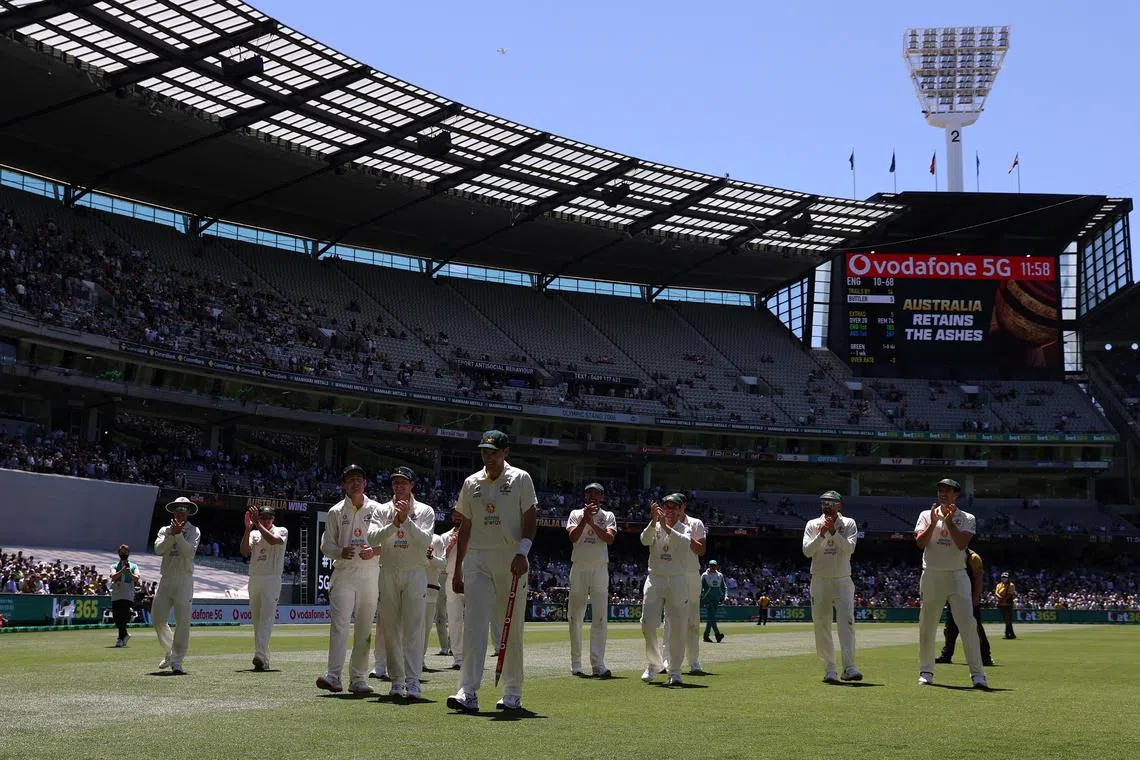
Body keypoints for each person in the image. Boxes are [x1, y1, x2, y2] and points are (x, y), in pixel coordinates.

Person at [447, 430, 537, 713]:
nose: (488, 457)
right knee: (474, 624)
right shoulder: (471, 482)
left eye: (494, 452)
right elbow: (465, 527)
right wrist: (458, 569)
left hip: (511, 558)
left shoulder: (521, 478)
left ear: (505, 452)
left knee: (509, 630)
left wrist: (523, 552)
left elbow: (530, 518)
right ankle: (468, 691)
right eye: (485, 451)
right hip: (478, 559)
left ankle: (512, 693)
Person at [368, 466, 435, 700]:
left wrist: (406, 520)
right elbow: (371, 538)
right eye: (396, 482)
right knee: (391, 630)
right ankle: (397, 681)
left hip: (415, 573)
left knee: (413, 630)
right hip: (388, 572)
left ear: (412, 485)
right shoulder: (381, 510)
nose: (399, 486)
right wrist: (394, 523)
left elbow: (426, 539)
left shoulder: (425, 511)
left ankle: (413, 682)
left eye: (403, 482)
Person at [915, 478, 988, 689]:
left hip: (957, 576)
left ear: (956, 494)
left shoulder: (967, 518)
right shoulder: (925, 515)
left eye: (947, 490)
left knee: (968, 625)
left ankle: (978, 675)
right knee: (927, 626)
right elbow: (920, 543)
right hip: (931, 574)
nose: (942, 494)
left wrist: (948, 521)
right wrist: (932, 521)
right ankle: (926, 672)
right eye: (940, 490)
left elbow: (962, 544)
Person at [316, 464, 381, 695]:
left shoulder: (379, 510)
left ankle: (359, 679)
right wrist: (339, 551)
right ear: (344, 484)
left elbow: (388, 541)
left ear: (365, 483)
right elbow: (326, 545)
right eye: (350, 479)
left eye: (359, 479)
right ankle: (333, 676)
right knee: (340, 625)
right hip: (343, 573)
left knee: (364, 627)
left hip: (370, 574)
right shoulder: (335, 512)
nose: (355, 483)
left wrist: (375, 550)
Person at [802, 490, 862, 684]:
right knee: (822, 625)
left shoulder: (849, 523)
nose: (826, 506)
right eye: (824, 503)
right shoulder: (812, 524)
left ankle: (849, 667)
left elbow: (849, 549)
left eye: (831, 503)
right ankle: (830, 669)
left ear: (839, 505)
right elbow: (807, 551)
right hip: (820, 580)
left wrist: (834, 533)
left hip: (843, 580)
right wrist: (821, 535)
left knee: (847, 622)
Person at [639, 494, 692, 686]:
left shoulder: (685, 529)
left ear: (680, 510)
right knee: (647, 623)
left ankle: (675, 671)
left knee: (677, 626)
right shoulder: (656, 526)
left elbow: (684, 544)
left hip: (677, 580)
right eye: (666, 507)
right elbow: (644, 540)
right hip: (655, 579)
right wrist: (654, 522)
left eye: (674, 507)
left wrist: (666, 525)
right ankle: (654, 664)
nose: (669, 510)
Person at [566, 482, 617, 678]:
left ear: (602, 497)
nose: (593, 497)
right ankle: (576, 664)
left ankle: (598, 665)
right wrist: (584, 520)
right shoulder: (575, 513)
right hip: (579, 568)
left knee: (600, 618)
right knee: (575, 616)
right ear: (585, 497)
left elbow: (609, 539)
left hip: (599, 569)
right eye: (590, 494)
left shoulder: (608, 516)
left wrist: (592, 522)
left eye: (597, 494)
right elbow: (573, 537)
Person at [152, 497, 201, 674]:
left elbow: (189, 552)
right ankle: (170, 651)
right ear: (173, 512)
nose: (180, 513)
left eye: (184, 510)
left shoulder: (194, 530)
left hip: (184, 579)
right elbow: (158, 549)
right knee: (157, 617)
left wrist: (179, 534)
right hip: (166, 578)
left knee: (183, 622)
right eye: (177, 510)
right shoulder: (165, 530)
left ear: (188, 513)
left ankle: (177, 661)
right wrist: (173, 534)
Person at [241, 504, 288, 672]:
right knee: (257, 621)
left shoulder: (281, 530)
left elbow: (273, 540)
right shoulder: (254, 533)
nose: (266, 520)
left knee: (266, 618)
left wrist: (257, 525)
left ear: (273, 519)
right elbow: (244, 551)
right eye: (262, 518)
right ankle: (263, 659)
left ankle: (259, 655)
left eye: (268, 518)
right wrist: (248, 528)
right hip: (255, 578)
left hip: (272, 579)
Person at [665, 492, 707, 675]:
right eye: (672, 506)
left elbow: (701, 550)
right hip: (672, 574)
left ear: (684, 507)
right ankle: (667, 660)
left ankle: (694, 661)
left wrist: (681, 533)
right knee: (670, 619)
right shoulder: (663, 523)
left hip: (691, 575)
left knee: (692, 620)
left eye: (678, 506)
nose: (675, 509)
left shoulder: (695, 523)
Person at [936, 548, 993, 667]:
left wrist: (976, 597)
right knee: (949, 629)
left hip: (969, 598)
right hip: (954, 597)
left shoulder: (973, 558)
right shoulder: (951, 556)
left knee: (976, 629)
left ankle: (985, 657)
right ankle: (946, 655)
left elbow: (978, 579)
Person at [441, 511, 464, 670]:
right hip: (451, 579)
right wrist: (452, 544)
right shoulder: (444, 537)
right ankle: (458, 658)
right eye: (455, 515)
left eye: (460, 515)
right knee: (454, 620)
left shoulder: (475, 535)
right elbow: (441, 562)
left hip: (473, 578)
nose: (457, 518)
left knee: (472, 620)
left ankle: (473, 656)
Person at [109, 543, 141, 648]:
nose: (123, 554)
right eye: (121, 552)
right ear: (118, 553)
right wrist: (122, 570)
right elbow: (113, 576)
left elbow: (137, 578)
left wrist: (129, 573)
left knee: (122, 617)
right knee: (116, 617)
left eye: (125, 552)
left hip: (127, 595)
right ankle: (125, 635)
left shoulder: (134, 566)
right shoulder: (114, 566)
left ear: (128, 553)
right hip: (116, 594)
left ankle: (120, 639)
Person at [424, 529, 448, 659]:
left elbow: (443, 564)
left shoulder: (436, 539)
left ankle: (418, 662)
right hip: (410, 587)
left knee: (426, 628)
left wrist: (430, 558)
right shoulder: (409, 535)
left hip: (431, 589)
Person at [700, 560, 727, 643]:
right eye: (711, 565)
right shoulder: (704, 575)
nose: (712, 567)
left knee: (710, 618)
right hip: (707, 599)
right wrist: (700, 598)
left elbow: (724, 587)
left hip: (716, 599)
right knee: (712, 617)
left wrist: (724, 596)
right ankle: (717, 634)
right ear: (709, 566)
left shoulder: (720, 575)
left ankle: (706, 636)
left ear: (716, 566)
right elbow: (700, 587)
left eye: (714, 565)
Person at [995, 571, 1017, 639]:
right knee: (1006, 620)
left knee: (1008, 620)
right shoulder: (999, 585)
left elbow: (1010, 594)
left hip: (1008, 604)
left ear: (1008, 578)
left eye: (1005, 577)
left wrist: (1002, 599)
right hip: (1001, 604)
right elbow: (996, 592)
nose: (1004, 578)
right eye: (1003, 577)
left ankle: (1008, 634)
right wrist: (999, 597)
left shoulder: (1011, 585)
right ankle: (1011, 634)